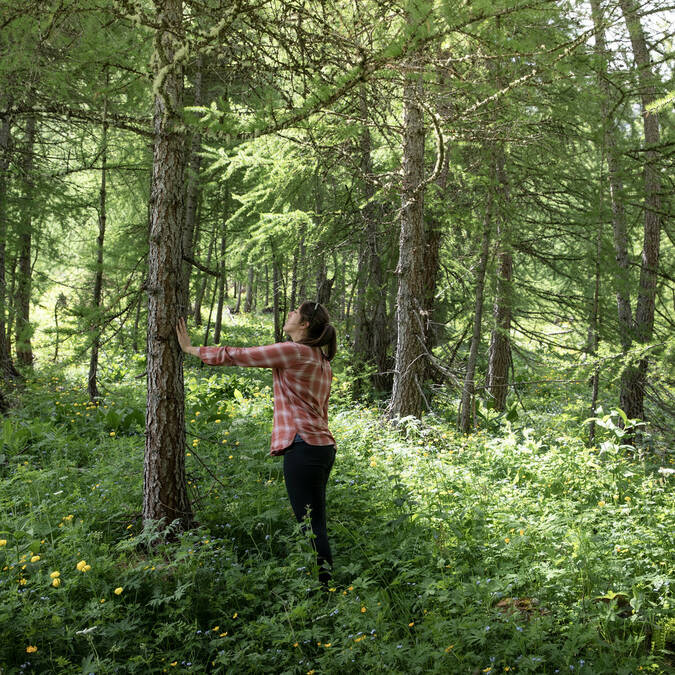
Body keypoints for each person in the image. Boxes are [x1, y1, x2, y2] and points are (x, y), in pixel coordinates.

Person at [176, 302, 337, 585]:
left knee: (309, 524)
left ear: (305, 324)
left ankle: (323, 588)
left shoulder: (293, 351)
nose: (289, 313)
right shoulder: (322, 361)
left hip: (303, 446)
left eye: (295, 312)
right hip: (322, 447)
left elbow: (242, 356)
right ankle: (326, 584)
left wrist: (192, 350)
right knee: (316, 522)